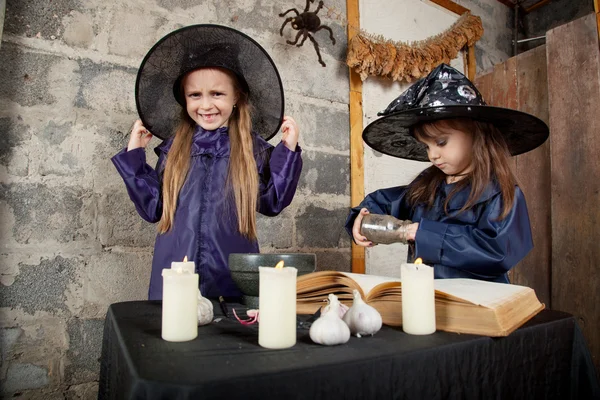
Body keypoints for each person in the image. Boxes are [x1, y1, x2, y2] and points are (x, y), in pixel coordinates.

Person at [112, 25, 303, 300]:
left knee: (226, 339)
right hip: (176, 274)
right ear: (184, 99)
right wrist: (134, 158)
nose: (205, 105)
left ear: (236, 96)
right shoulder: (175, 149)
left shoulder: (251, 149)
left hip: (231, 276)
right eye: (195, 95)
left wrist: (288, 149)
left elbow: (273, 201)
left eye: (217, 94)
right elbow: (153, 208)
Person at [345, 63, 549, 283]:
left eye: (441, 142)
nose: (432, 155)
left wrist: (422, 234)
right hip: (427, 299)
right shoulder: (428, 185)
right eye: (427, 146)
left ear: (476, 135)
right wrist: (362, 215)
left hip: (479, 304)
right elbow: (384, 201)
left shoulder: (500, 193)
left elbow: (498, 251)